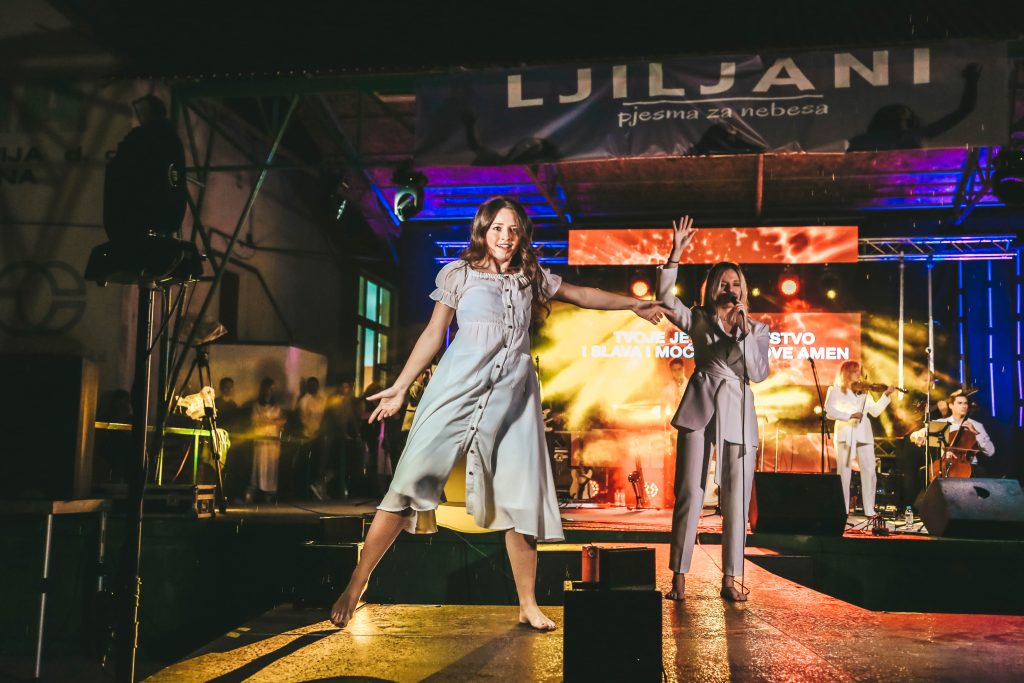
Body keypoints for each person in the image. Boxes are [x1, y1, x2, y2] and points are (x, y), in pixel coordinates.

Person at [329, 196, 667, 631]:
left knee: (522, 497)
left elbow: (582, 294)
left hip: (513, 397)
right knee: (410, 482)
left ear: (521, 234)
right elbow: (433, 333)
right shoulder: (459, 274)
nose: (505, 237)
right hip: (457, 387)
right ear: (483, 232)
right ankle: (357, 583)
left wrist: (632, 304)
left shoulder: (531, 277)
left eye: (513, 229)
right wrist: (399, 386)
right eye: (497, 229)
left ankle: (527, 603)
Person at [658, 215, 770, 603]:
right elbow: (665, 300)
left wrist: (743, 332)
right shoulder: (698, 318)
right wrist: (675, 254)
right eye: (723, 283)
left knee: (736, 499)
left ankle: (731, 578)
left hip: (738, 411)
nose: (729, 289)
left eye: (735, 284)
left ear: (743, 290)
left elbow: (758, 373)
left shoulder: (757, 329)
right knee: (689, 492)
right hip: (699, 406)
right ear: (712, 288)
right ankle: (678, 576)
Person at [824, 361, 894, 517]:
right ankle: (843, 510)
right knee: (844, 472)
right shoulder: (835, 390)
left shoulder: (864, 392)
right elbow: (829, 411)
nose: (858, 373)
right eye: (855, 371)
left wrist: (886, 395)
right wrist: (849, 415)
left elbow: (875, 411)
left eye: (859, 371)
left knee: (870, 470)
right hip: (845, 433)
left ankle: (869, 509)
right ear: (847, 372)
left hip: (864, 433)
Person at [911, 393, 995, 477]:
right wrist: (918, 438)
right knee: (924, 472)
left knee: (980, 472)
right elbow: (914, 435)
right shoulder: (942, 423)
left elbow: (990, 452)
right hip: (945, 463)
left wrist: (975, 432)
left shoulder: (976, 425)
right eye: (960, 403)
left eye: (965, 403)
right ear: (951, 406)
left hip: (969, 466)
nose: (964, 406)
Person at [246, 378, 285, 503]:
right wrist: (272, 421)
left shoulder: (276, 407)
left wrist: (273, 422)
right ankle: (253, 492)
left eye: (272, 389)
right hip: (261, 440)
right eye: (268, 388)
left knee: (271, 468)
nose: (269, 391)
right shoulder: (256, 406)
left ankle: (270, 494)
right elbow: (256, 422)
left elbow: (281, 422)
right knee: (259, 466)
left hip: (273, 441)